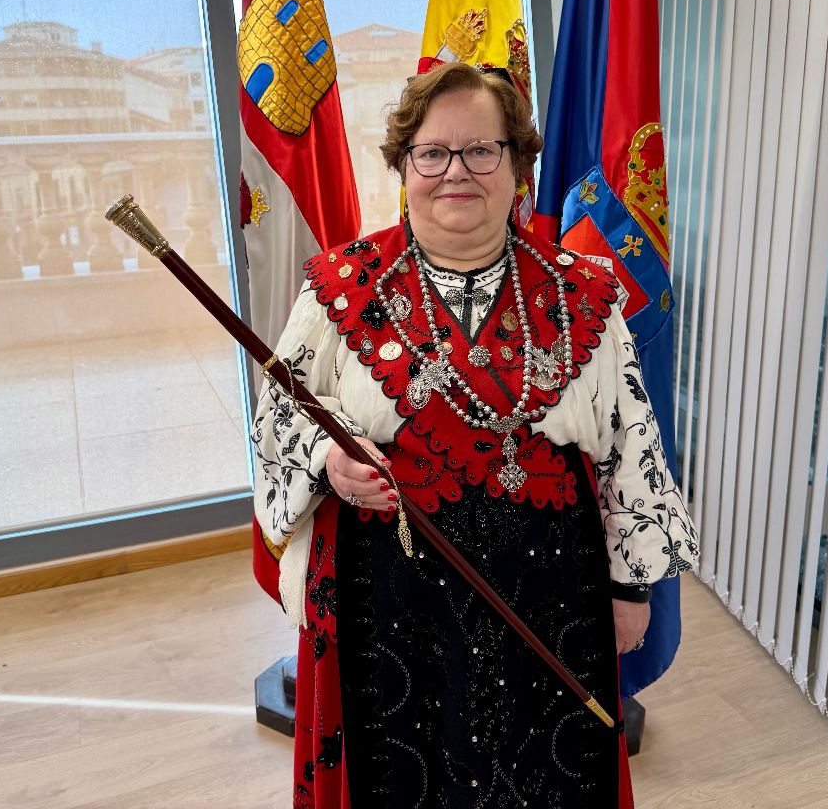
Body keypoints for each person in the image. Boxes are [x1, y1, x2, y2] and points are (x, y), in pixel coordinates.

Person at [251, 60, 699, 808]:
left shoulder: (585, 292)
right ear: (404, 166)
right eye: (432, 152)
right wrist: (328, 457)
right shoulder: (339, 287)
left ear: (517, 166)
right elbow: (278, 415)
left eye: (481, 150)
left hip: (552, 601)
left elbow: (629, 445)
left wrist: (629, 588)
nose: (455, 171)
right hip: (384, 602)